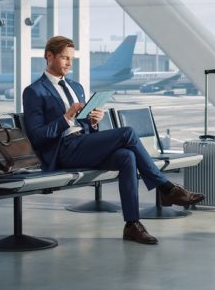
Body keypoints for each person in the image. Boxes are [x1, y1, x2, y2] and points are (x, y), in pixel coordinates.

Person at [23, 36, 204, 245]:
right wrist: (66, 118)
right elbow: (36, 136)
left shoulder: (76, 87)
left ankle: (132, 225)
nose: (69, 64)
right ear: (49, 56)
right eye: (64, 58)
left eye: (71, 59)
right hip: (62, 151)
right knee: (126, 133)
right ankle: (166, 188)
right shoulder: (34, 91)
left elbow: (85, 127)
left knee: (126, 157)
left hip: (83, 145)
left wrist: (94, 121)